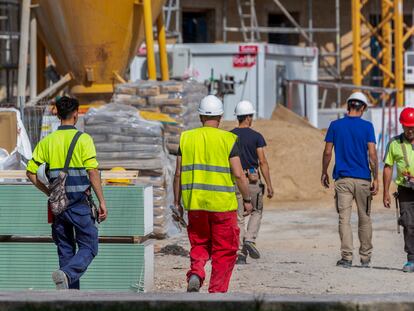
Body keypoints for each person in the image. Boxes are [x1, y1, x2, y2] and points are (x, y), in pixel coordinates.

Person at [173, 95, 253, 293]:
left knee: (199, 243)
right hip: (222, 206)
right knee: (224, 250)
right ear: (221, 116)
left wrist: (177, 201)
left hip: (195, 204)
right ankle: (216, 293)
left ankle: (196, 272)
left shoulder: (186, 138)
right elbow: (239, 174)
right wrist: (248, 199)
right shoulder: (228, 139)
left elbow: (178, 174)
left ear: (200, 116)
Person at [26, 96, 107, 289]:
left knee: (65, 251)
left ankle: (68, 299)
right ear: (76, 114)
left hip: (58, 206)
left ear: (58, 115)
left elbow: (30, 173)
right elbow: (92, 172)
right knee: (89, 246)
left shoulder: (47, 141)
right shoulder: (84, 139)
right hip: (79, 204)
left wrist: (49, 192)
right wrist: (102, 201)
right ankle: (68, 274)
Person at [321, 91, 378, 268]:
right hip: (363, 180)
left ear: (348, 106)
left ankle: (346, 257)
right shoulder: (367, 127)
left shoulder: (335, 125)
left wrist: (324, 171)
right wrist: (376, 178)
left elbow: (328, 151)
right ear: (363, 107)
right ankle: (365, 257)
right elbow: (373, 155)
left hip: (343, 179)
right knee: (365, 218)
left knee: (344, 219)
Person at [231, 100, 274, 264]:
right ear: (248, 117)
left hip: (236, 181)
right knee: (256, 211)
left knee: (239, 217)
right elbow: (262, 161)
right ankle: (249, 239)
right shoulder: (257, 137)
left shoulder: (230, 136)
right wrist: (269, 185)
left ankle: (240, 254)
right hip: (253, 181)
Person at [383, 107, 414, 272]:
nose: (410, 130)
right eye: (407, 126)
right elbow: (388, 167)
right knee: (408, 224)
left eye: (413, 126)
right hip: (406, 189)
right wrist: (385, 192)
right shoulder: (394, 143)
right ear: (402, 125)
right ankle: (411, 259)